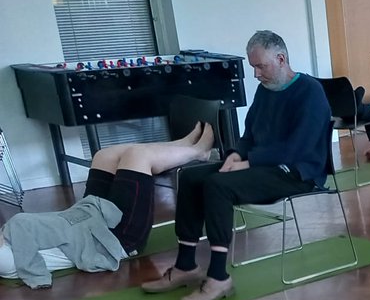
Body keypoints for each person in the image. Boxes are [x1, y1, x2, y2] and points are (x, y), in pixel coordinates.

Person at [140, 31, 331, 300]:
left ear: (281, 59)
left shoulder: (310, 92)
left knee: (219, 186)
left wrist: (248, 162)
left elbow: (296, 150)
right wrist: (235, 155)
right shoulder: (265, 91)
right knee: (191, 176)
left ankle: (218, 277)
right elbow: (249, 135)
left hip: (298, 173)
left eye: (260, 66)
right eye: (253, 67)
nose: (255, 74)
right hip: (263, 165)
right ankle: (185, 266)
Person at [0, 123, 215, 288]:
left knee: (104, 156)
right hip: (113, 238)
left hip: (87, 215)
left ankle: (183, 144)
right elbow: (32, 269)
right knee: (137, 157)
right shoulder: (4, 260)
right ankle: (199, 152)